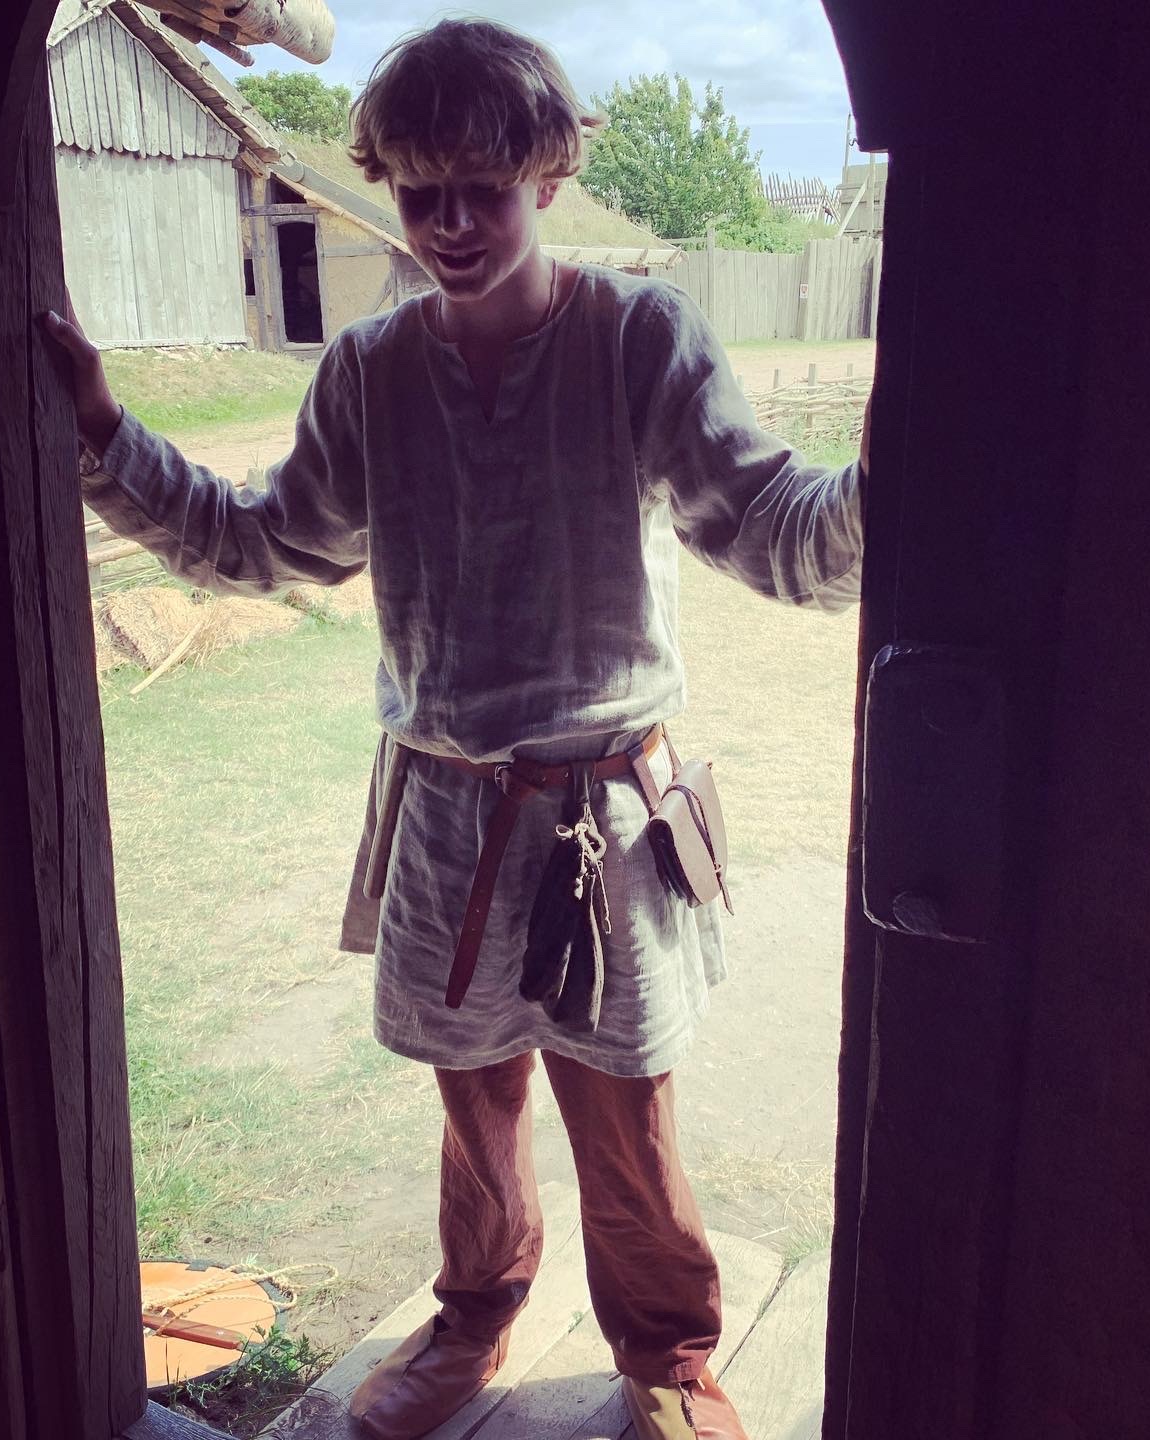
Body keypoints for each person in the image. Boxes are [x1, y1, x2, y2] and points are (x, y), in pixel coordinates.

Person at [44, 17, 866, 1439]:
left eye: (485, 190)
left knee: (628, 1109)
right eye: (424, 195)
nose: (453, 226)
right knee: (474, 1103)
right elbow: (266, 543)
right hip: (443, 813)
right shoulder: (369, 371)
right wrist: (108, 437)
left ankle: (669, 1356)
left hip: (607, 816)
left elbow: (771, 525)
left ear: (548, 175)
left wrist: (890, 482)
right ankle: (476, 1319)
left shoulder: (637, 339)